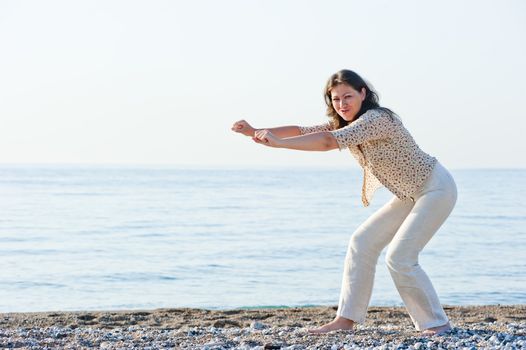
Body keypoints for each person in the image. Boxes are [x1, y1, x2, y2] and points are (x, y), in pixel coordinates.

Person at [231, 69, 457, 336]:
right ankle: (345, 320)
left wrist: (279, 144)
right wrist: (256, 132)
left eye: (348, 96)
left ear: (363, 93)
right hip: (408, 194)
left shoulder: (377, 119)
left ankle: (437, 324)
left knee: (400, 257)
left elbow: (327, 142)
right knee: (362, 242)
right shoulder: (343, 123)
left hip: (435, 188)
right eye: (335, 99)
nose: (342, 105)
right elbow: (303, 130)